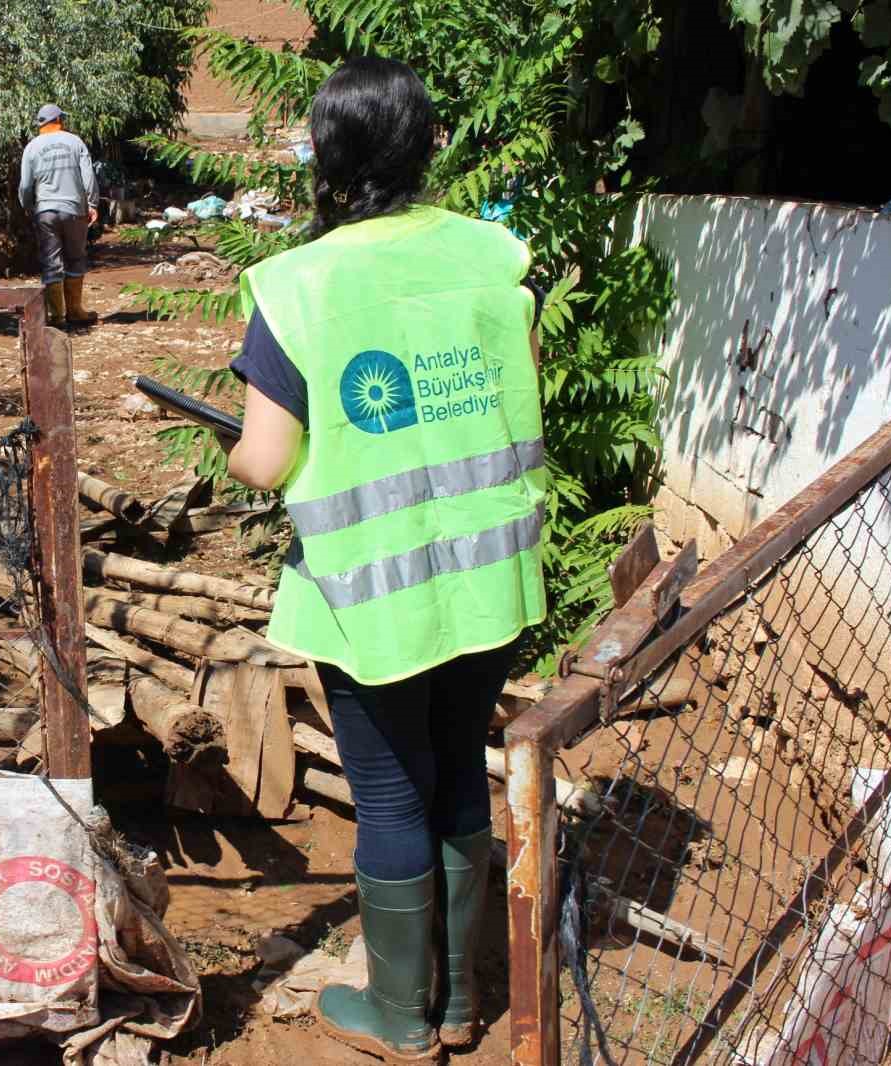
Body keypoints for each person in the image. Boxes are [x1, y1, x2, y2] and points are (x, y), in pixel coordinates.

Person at [221, 57, 547, 1062]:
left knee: (393, 792)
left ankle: (402, 1014)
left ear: (325, 155)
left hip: (374, 605)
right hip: (489, 581)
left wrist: (239, 448)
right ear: (428, 143)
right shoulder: (495, 256)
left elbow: (265, 463)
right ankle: (456, 1002)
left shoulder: (296, 286)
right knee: (457, 773)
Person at [19, 103, 99, 327]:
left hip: (45, 211)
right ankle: (75, 311)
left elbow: (25, 185)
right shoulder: (75, 142)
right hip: (74, 210)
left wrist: (28, 206)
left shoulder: (32, 147)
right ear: (59, 120)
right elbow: (88, 176)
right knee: (75, 257)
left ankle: (57, 317)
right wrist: (92, 203)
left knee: (50, 262)